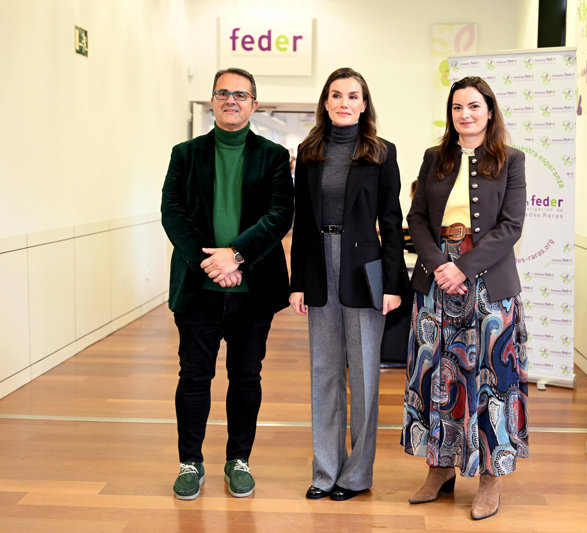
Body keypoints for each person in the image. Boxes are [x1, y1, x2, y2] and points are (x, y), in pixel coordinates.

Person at [161, 67, 294, 500]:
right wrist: (212, 263)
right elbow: (172, 212)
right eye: (223, 93)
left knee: (246, 378)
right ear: (213, 101)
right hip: (198, 290)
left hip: (252, 292)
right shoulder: (185, 154)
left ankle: (239, 460)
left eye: (240, 94)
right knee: (193, 377)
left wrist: (235, 256)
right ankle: (190, 462)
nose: (231, 100)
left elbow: (279, 215)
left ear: (254, 103)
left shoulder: (274, 156)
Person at [401, 76, 529, 520]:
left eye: (474, 106)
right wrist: (441, 264)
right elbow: (417, 218)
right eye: (457, 107)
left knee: (492, 380)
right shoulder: (434, 158)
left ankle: (491, 475)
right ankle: (439, 468)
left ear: (489, 111)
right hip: (437, 278)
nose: (465, 114)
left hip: (488, 282)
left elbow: (511, 226)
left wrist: (464, 267)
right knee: (437, 375)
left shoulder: (511, 160)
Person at [288, 67, 406, 501]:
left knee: (364, 377)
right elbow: (302, 222)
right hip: (319, 266)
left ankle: (356, 476)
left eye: (352, 96)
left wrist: (392, 284)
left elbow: (391, 221)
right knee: (324, 373)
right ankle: (325, 471)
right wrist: (298, 282)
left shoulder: (381, 152)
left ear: (363, 104)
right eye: (336, 95)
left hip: (364, 271)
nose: (344, 102)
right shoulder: (309, 151)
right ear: (325, 102)